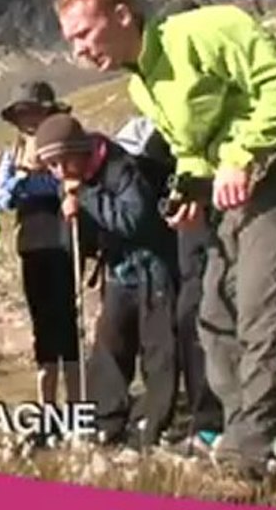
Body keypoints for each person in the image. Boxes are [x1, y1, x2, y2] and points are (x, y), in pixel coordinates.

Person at [55, 0, 276, 475]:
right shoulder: (140, 85)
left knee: (262, 307)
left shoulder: (205, 29)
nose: (79, 50)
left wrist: (242, 155)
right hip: (228, 190)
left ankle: (254, 450)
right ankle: (242, 429)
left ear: (122, 15)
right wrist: (191, 189)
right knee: (214, 315)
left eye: (85, 33)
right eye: (71, 41)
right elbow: (190, 149)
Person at [33, 112, 178, 449]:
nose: (59, 170)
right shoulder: (74, 182)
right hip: (119, 272)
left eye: (62, 161)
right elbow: (77, 242)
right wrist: (70, 219)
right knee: (110, 347)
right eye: (51, 165)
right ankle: (105, 421)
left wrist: (85, 196)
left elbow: (134, 220)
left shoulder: (119, 167)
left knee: (157, 351)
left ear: (78, 150)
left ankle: (152, 425)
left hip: (153, 270)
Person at [115, 115, 223, 452]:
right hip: (182, 231)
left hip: (208, 209)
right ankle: (203, 420)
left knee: (203, 314)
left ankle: (212, 421)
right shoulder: (151, 130)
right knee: (190, 317)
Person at [0, 80, 81, 406]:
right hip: (32, 247)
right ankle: (48, 407)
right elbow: (0, 199)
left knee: (68, 325)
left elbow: (70, 185)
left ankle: (75, 404)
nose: (27, 119)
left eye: (32, 111)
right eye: (21, 114)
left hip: (63, 245)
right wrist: (24, 180)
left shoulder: (66, 146)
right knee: (43, 327)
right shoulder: (13, 153)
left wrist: (33, 183)